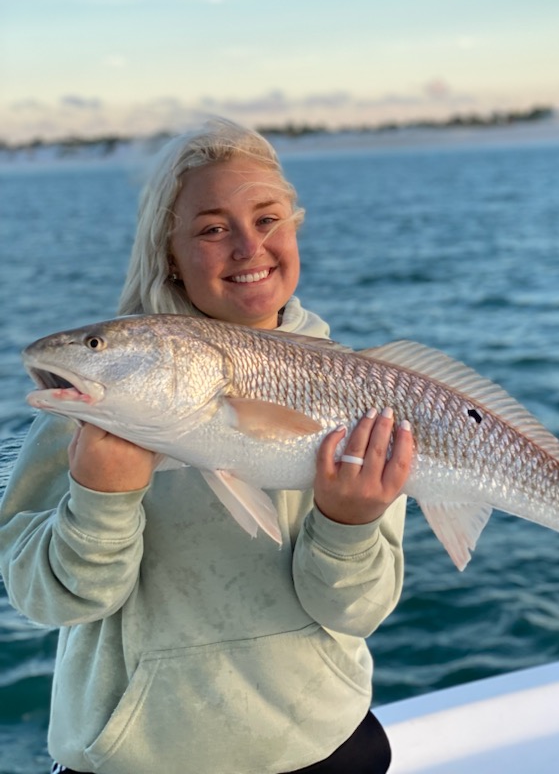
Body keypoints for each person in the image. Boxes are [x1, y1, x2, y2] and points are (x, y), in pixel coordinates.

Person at [0, 117, 413, 774]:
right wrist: (101, 496)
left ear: (295, 229)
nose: (250, 247)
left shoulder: (357, 393)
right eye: (213, 228)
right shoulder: (93, 403)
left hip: (323, 747)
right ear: (170, 252)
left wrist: (348, 524)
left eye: (268, 219)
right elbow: (45, 601)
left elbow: (355, 611)